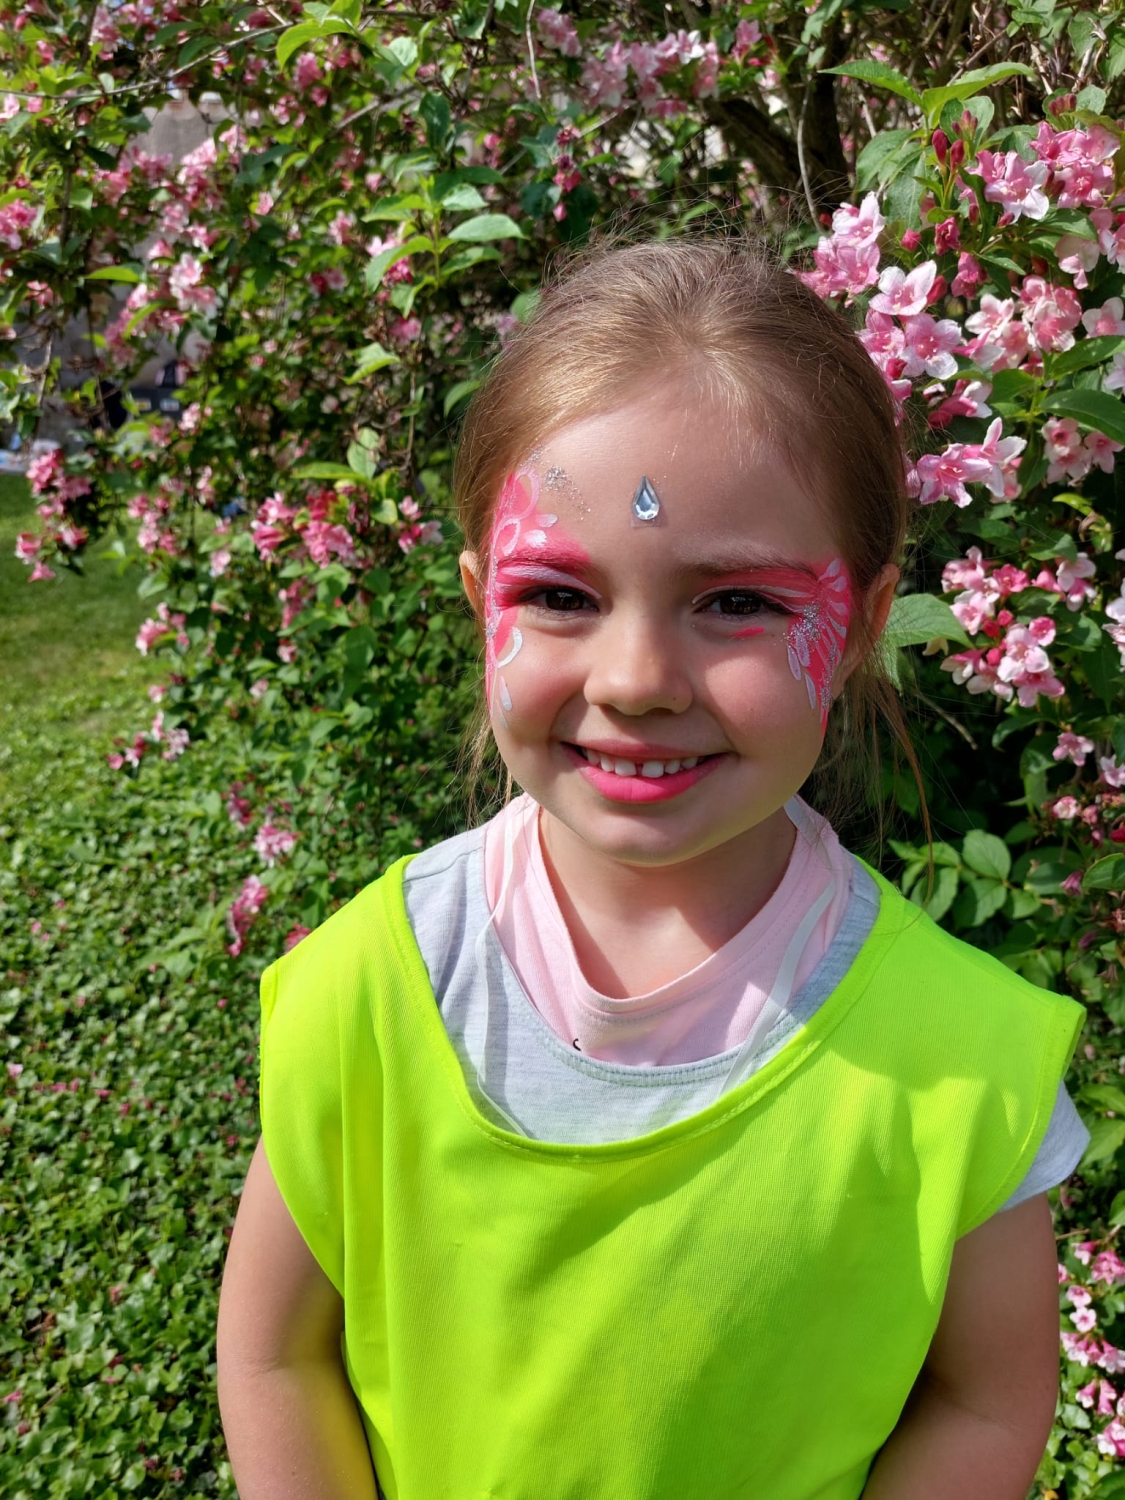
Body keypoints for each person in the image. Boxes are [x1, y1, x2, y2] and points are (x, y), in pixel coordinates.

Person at [216, 239, 1088, 1500]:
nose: (634, 682)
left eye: (737, 604)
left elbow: (986, 1399)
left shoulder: (960, 1066)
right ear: (479, 603)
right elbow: (275, 1357)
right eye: (561, 597)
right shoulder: (369, 990)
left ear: (858, 625)